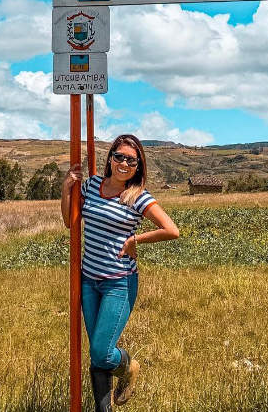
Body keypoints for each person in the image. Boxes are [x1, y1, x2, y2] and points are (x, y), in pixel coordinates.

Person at [61, 134, 179, 411]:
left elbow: (171, 230)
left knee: (102, 352)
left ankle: (128, 366)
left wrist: (135, 240)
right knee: (97, 355)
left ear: (138, 166)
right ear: (110, 158)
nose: (124, 163)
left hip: (119, 283)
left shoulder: (138, 197)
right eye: (119, 156)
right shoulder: (91, 186)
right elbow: (70, 222)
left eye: (131, 160)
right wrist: (67, 190)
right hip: (89, 281)